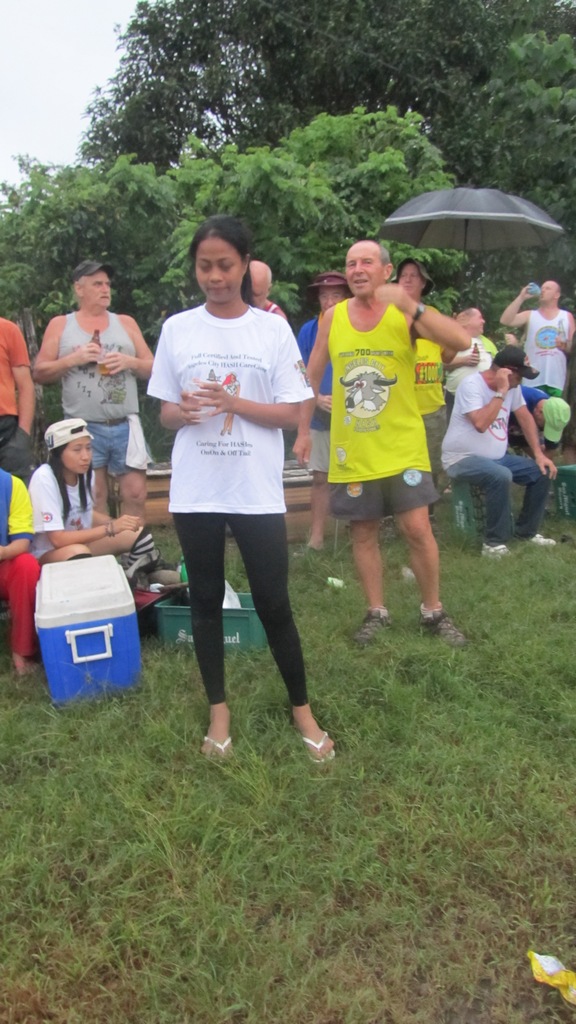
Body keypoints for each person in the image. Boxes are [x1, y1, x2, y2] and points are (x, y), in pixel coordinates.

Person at [147, 214, 334, 762]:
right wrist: (184, 411)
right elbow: (164, 413)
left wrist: (232, 403)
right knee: (205, 599)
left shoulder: (270, 330)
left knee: (274, 602)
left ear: (245, 265)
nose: (215, 276)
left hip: (254, 489)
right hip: (197, 488)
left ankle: (302, 709)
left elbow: (290, 413)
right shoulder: (178, 329)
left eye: (225, 265)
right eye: (204, 266)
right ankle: (219, 712)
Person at [294, 239, 470, 647]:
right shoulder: (333, 316)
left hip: (403, 446)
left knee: (416, 528)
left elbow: (461, 342)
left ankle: (433, 611)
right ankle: (376, 612)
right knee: (363, 532)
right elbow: (310, 374)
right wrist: (303, 430)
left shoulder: (405, 313)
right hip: (354, 450)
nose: (357, 269)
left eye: (366, 262)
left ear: (386, 272)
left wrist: (412, 305)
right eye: (351, 263)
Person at [33, 260, 155, 523]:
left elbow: (154, 368)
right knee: (94, 495)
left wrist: (129, 362)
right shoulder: (61, 325)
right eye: (97, 284)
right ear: (79, 289)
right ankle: (102, 546)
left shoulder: (125, 323)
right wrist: (73, 359)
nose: (105, 289)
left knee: (136, 493)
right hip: (83, 425)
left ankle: (136, 545)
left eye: (107, 284)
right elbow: (40, 372)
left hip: (125, 423)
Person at [441, 345, 557, 557]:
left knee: (543, 471)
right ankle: (493, 544)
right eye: (520, 375)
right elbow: (480, 424)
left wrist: (539, 455)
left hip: (497, 458)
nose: (521, 381)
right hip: (461, 458)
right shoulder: (472, 385)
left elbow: (524, 416)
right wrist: (501, 392)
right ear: (507, 371)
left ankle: (527, 532)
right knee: (500, 475)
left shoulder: (514, 387)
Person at [28, 418, 157, 576]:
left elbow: (84, 512)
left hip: (83, 545)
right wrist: (109, 528)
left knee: (141, 536)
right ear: (58, 453)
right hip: (49, 553)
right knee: (79, 552)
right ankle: (107, 579)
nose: (85, 456)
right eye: (77, 450)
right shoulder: (44, 478)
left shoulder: (85, 474)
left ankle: (130, 578)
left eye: (88, 448)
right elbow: (57, 539)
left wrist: (119, 523)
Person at [296, 271, 351, 549]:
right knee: (320, 477)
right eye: (324, 296)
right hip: (319, 417)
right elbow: (297, 370)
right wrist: (315, 398)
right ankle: (316, 538)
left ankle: (357, 536)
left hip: (354, 415)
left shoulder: (358, 325)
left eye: (336, 295)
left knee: (357, 477)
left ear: (347, 298)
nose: (329, 302)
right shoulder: (308, 330)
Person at [395, 257, 445, 489]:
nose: (407, 280)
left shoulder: (433, 314)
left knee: (431, 465)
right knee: (400, 465)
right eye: (403, 276)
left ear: (423, 282)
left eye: (413, 276)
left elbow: (448, 355)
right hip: (400, 407)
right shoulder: (387, 314)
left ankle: (429, 505)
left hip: (432, 406)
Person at [500, 281, 575, 396]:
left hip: (557, 380)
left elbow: (573, 347)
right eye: (542, 288)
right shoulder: (530, 315)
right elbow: (505, 320)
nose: (543, 290)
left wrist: (564, 346)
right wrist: (521, 297)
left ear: (557, 295)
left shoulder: (566, 316)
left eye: (548, 288)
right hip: (532, 379)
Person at [0, 466, 41, 675]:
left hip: (3, 563)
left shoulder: (11, 485)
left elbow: (22, 542)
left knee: (26, 565)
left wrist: (3, 551)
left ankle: (22, 652)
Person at [442, 308, 497, 422]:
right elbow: (438, 363)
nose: (483, 321)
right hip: (457, 399)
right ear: (467, 320)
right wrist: (464, 360)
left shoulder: (483, 342)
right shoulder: (453, 338)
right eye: (480, 318)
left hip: (481, 399)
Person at [0, 317, 35, 483]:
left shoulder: (8, 330)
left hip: (6, 430)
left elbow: (25, 386)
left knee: (14, 490)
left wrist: (23, 433)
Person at [508, 387, 570, 455]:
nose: (544, 429)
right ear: (539, 412)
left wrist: (541, 455)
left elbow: (550, 451)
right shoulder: (517, 399)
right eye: (545, 426)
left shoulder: (552, 413)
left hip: (518, 434)